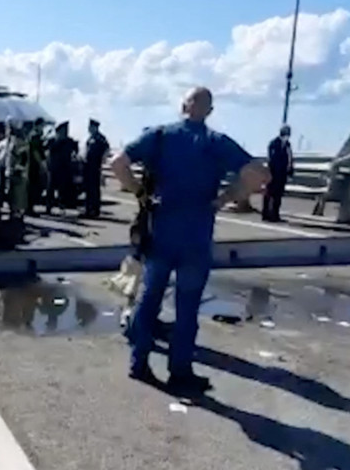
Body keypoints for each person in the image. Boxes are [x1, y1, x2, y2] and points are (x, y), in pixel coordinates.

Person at [109, 86, 269, 391]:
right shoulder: (216, 142)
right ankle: (180, 371)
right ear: (209, 111)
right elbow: (260, 174)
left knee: (149, 298)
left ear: (183, 106)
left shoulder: (158, 136)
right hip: (196, 232)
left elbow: (118, 162)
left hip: (161, 229)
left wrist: (140, 193)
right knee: (187, 305)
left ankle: (138, 362)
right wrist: (226, 199)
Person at [46, 122, 79, 213]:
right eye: (63, 131)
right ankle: (49, 206)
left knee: (63, 189)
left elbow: (75, 151)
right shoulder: (52, 141)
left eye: (66, 130)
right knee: (50, 188)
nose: (65, 132)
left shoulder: (70, 141)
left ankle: (62, 205)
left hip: (65, 168)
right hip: (53, 168)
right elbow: (47, 149)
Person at [264, 125, 293, 222]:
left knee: (278, 195)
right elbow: (271, 159)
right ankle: (266, 214)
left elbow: (290, 159)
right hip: (273, 173)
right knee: (269, 193)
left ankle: (275, 214)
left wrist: (289, 171)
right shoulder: (273, 143)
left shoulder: (288, 145)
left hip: (282, 174)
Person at [82, 119, 110, 218]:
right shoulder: (90, 138)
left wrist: (102, 163)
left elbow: (106, 150)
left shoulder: (100, 138)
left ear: (95, 127)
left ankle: (95, 210)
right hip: (88, 166)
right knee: (88, 189)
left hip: (95, 166)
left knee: (94, 189)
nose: (89, 129)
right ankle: (88, 209)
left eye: (91, 127)